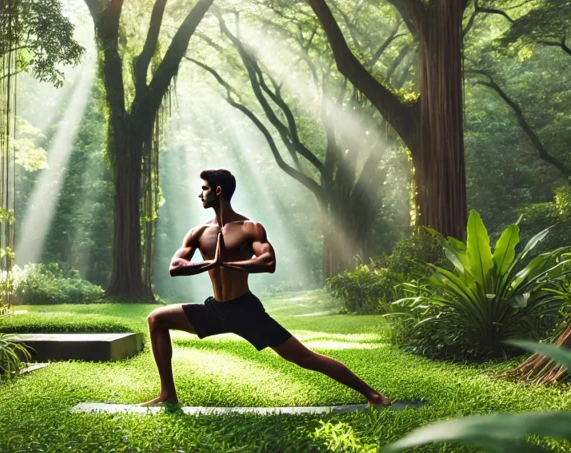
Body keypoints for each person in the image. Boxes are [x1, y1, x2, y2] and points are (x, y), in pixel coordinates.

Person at [140, 168, 390, 407]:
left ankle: (373, 395)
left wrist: (228, 263)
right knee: (157, 319)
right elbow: (176, 265)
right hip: (216, 309)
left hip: (245, 310)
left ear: (217, 191)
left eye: (204, 188)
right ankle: (167, 394)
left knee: (304, 357)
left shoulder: (250, 228)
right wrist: (209, 263)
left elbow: (267, 262)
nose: (199, 194)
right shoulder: (198, 232)